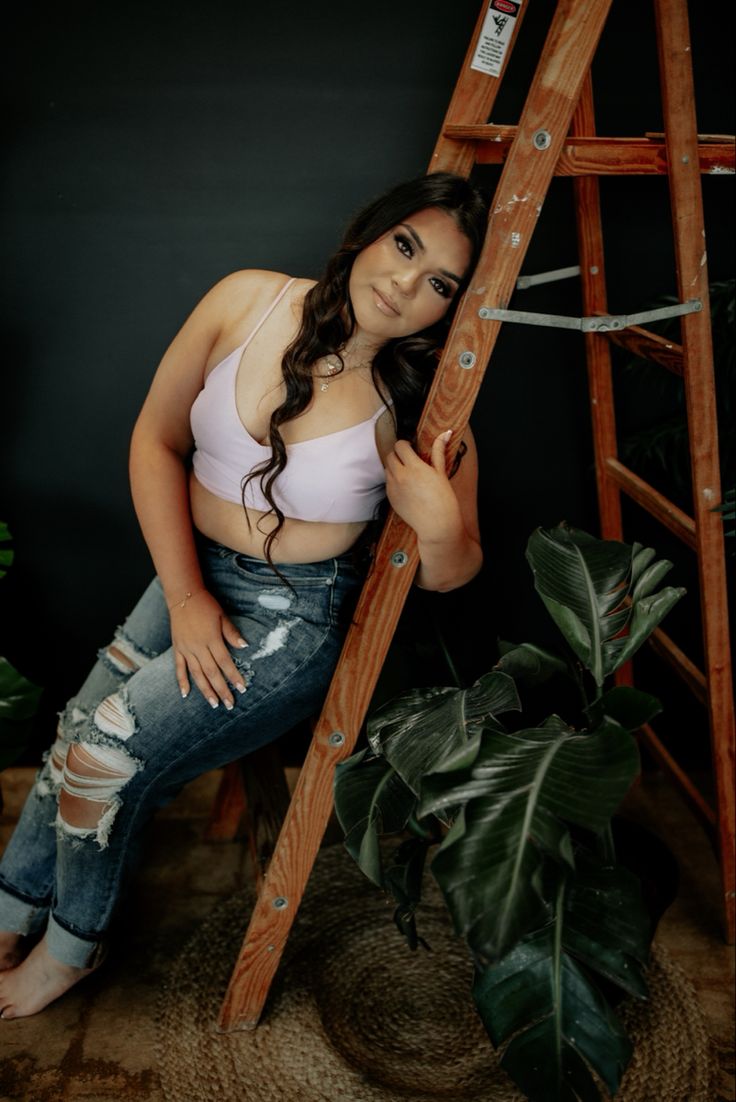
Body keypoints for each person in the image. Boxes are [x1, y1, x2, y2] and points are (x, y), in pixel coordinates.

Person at [0, 171, 487, 1018]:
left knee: (99, 758)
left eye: (441, 282)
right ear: (370, 233)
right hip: (183, 573)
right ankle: (8, 912)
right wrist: (186, 600)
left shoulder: (424, 407)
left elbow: (453, 571)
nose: (407, 284)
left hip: (287, 619)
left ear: (452, 305)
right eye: (405, 246)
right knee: (73, 737)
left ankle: (71, 948)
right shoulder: (246, 299)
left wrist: (438, 521)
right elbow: (154, 443)